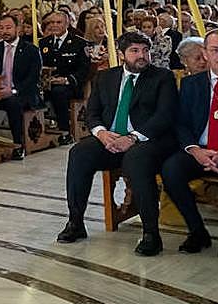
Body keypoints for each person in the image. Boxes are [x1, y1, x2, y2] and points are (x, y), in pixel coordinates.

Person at [57, 31, 179, 256]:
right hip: (111, 138)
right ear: (122, 54)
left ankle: (151, 233)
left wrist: (132, 138)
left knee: (136, 159)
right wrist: (102, 133)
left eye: (145, 51)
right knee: (79, 153)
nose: (141, 56)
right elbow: (91, 113)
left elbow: (164, 117)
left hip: (147, 140)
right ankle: (75, 222)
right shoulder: (105, 77)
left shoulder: (162, 77)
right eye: (134, 51)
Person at [162, 29, 218, 258]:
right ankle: (197, 231)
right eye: (216, 50)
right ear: (205, 53)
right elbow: (181, 123)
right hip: (200, 148)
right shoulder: (191, 83)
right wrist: (194, 150)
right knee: (171, 170)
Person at [0, 13, 42, 159]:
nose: (4, 31)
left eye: (8, 27)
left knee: (13, 103)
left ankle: (18, 144)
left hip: (22, 93)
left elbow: (33, 78)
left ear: (18, 28)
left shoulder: (30, 50)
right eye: (1, 28)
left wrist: (14, 90)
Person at [40, 11, 91, 145]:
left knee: (58, 92)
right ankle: (38, 131)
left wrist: (66, 80)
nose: (54, 25)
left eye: (58, 22)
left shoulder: (79, 43)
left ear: (67, 24)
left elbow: (84, 70)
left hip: (70, 85)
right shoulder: (44, 43)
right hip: (47, 84)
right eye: (51, 22)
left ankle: (65, 131)